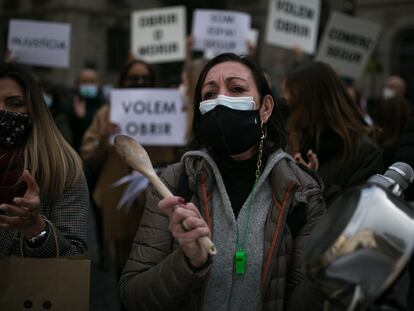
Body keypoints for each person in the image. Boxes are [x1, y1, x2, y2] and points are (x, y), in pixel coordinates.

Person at [120, 53, 326, 311]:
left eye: (236, 89)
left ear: (265, 108)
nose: (220, 101)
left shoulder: (301, 193)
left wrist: (328, 268)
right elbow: (133, 296)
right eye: (209, 94)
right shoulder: (175, 182)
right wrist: (187, 262)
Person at [81, 59, 178, 272]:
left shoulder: (168, 110)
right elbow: (87, 154)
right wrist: (103, 138)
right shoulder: (107, 112)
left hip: (155, 197)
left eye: (145, 78)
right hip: (118, 197)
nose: (140, 82)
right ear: (123, 81)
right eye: (134, 78)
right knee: (123, 264)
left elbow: (180, 149)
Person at [0, 62, 88, 256]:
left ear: (34, 108)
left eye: (14, 103)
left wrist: (36, 228)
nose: (2, 110)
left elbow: (75, 255)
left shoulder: (62, 168)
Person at [282, 61, 383, 205]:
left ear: (311, 104)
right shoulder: (291, 141)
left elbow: (354, 212)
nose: (290, 114)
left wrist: (315, 184)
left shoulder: (365, 152)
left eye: (293, 104)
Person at [68, 67, 104, 153]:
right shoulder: (69, 105)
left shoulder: (104, 108)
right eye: (84, 82)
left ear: (98, 85)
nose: (88, 85)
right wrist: (79, 118)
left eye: (92, 82)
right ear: (77, 84)